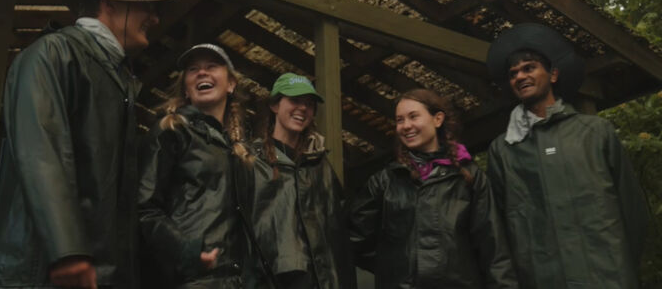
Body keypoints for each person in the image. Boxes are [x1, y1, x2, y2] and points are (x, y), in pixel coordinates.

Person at [0, 0, 175, 289]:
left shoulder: (118, 79)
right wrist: (68, 250)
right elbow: (41, 151)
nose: (154, 18)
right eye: (147, 5)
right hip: (42, 274)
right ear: (109, 2)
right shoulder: (52, 54)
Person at [485, 23, 649, 289]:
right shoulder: (503, 150)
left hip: (609, 278)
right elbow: (499, 231)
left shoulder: (596, 132)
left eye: (529, 67)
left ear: (553, 75)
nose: (520, 76)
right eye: (513, 73)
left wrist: (620, 268)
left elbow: (633, 212)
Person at [349, 89, 517, 289]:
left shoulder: (469, 177)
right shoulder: (384, 181)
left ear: (437, 119)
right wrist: (393, 266)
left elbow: (493, 248)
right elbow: (353, 239)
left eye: (413, 116)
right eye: (399, 120)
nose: (406, 126)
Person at [138, 44, 261, 288]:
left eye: (212, 66)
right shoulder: (172, 131)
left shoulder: (239, 151)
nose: (202, 73)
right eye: (193, 69)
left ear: (231, 84)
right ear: (185, 87)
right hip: (190, 279)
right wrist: (187, 251)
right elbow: (144, 208)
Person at [249, 73, 356, 289]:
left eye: (309, 104)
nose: (303, 108)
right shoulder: (252, 161)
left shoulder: (320, 165)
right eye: (294, 100)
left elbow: (341, 232)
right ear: (274, 105)